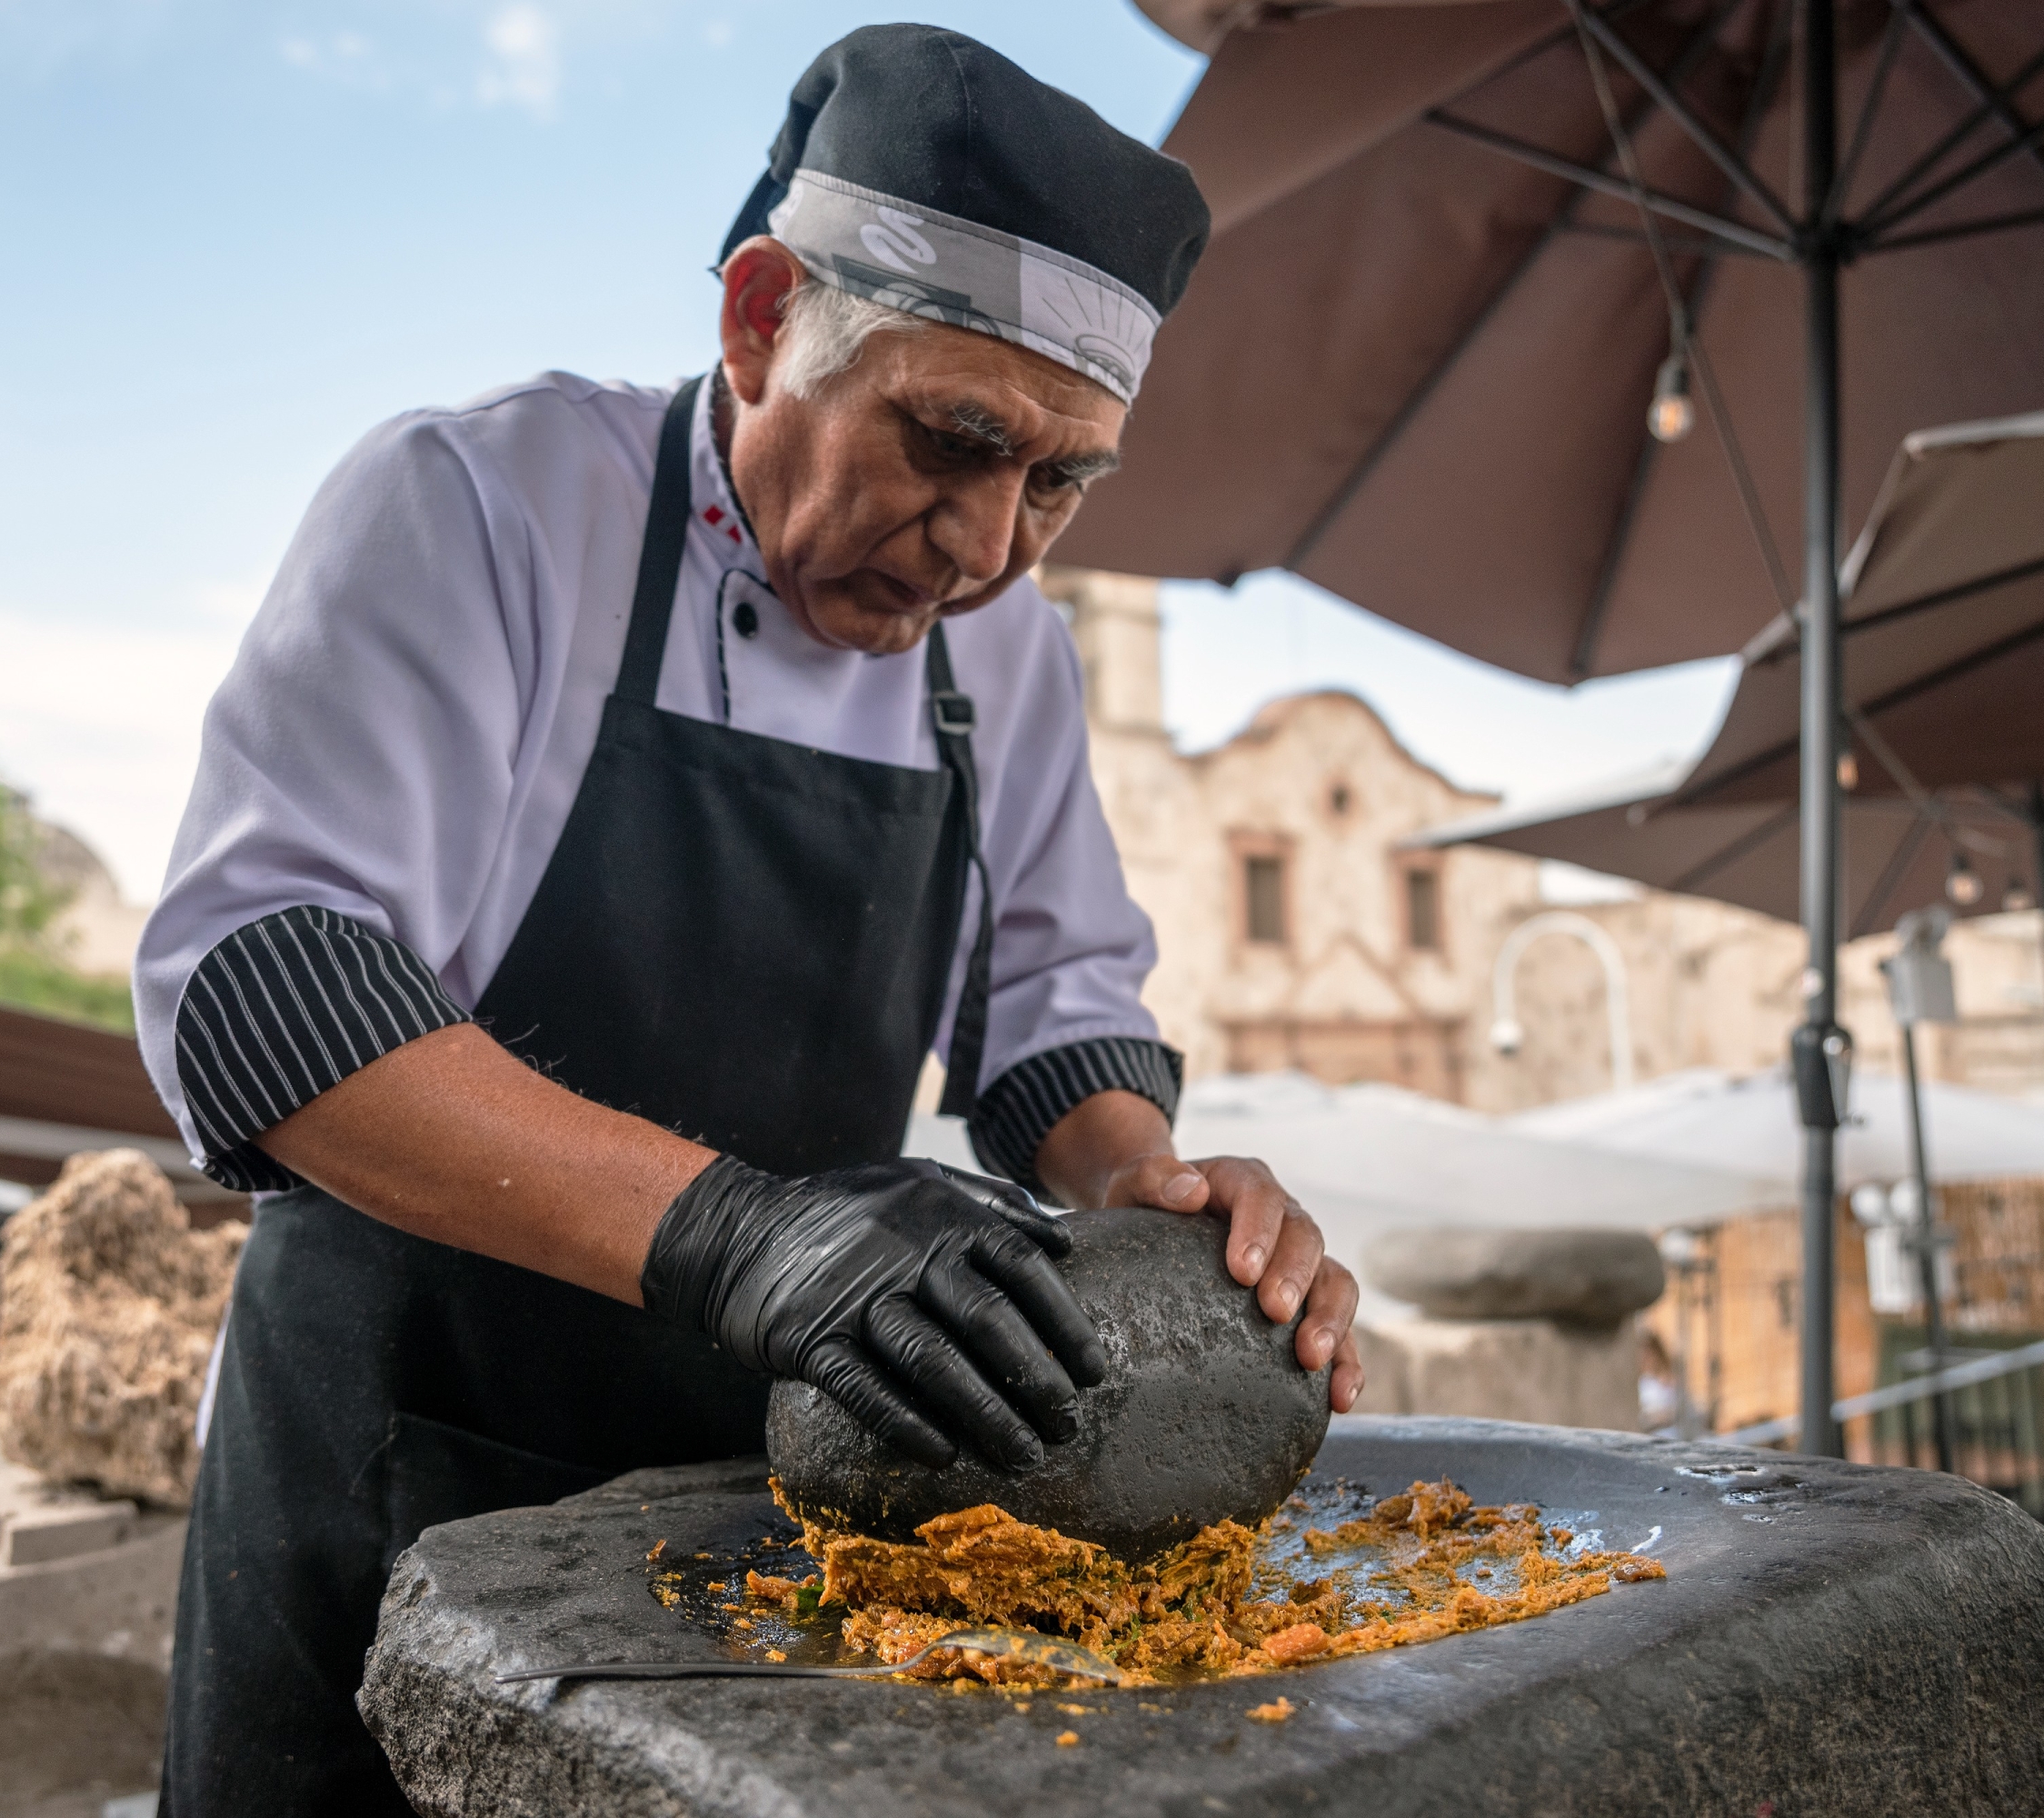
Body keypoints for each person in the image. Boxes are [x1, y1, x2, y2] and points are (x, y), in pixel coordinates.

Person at [134, 25, 1363, 1812]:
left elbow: (1052, 1022)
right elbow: (267, 993)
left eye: (1063, 482)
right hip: (398, 1463)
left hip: (758, 1505)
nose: (991, 547)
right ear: (761, 316)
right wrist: (743, 1241)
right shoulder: (485, 507)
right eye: (955, 442)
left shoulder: (1002, 651)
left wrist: (1155, 1204)